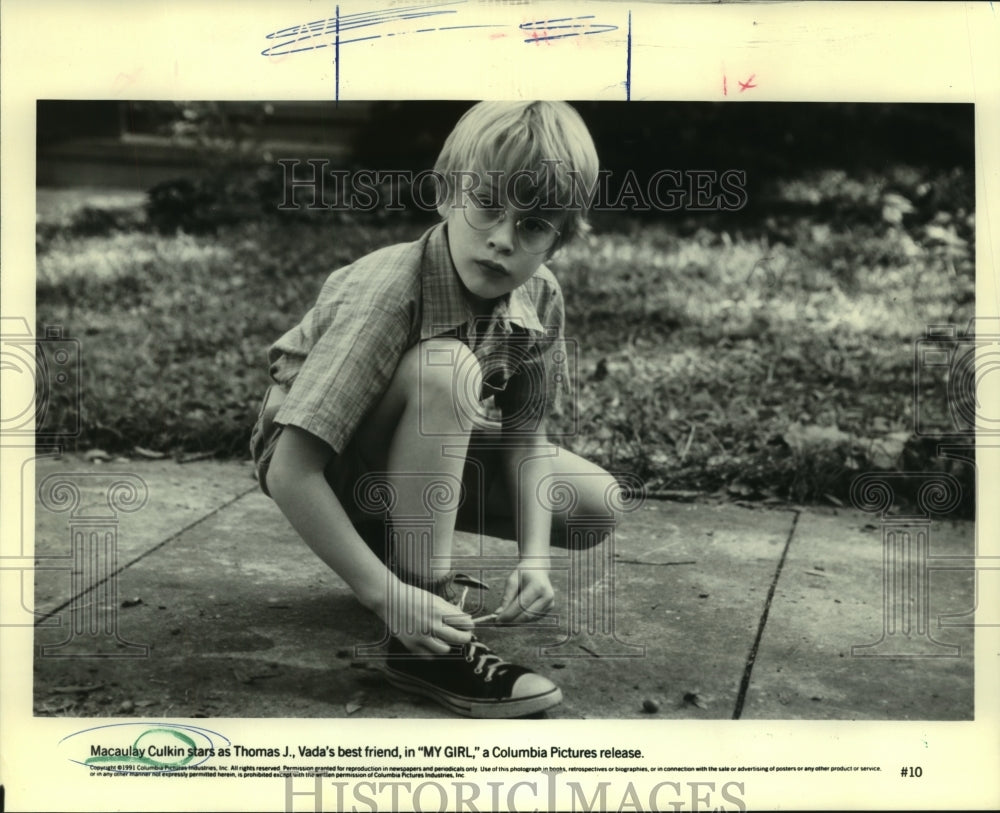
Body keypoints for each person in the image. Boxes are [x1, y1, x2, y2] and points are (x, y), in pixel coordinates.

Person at [251, 101, 623, 718]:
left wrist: (533, 560)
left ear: (559, 240)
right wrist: (385, 597)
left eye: (533, 226)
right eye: (487, 207)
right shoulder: (390, 291)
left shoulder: (539, 295)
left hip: (410, 451)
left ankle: (395, 552)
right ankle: (419, 636)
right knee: (447, 370)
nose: (503, 239)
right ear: (448, 195)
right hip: (323, 461)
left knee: (593, 504)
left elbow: (527, 444)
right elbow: (290, 470)